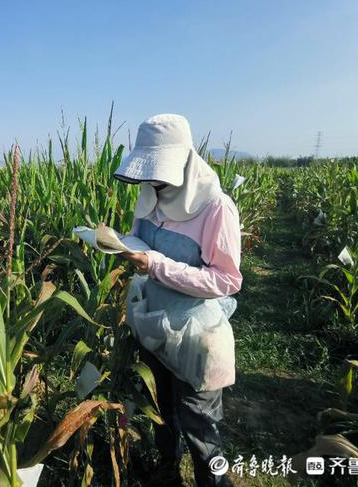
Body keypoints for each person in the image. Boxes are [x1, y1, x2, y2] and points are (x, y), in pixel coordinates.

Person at [114, 114, 242, 487]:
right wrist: (122, 246)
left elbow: (226, 280)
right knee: (161, 410)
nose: (152, 180)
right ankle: (166, 472)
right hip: (154, 324)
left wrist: (155, 265)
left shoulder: (216, 207)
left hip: (195, 338)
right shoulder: (151, 195)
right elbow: (141, 238)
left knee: (200, 426)